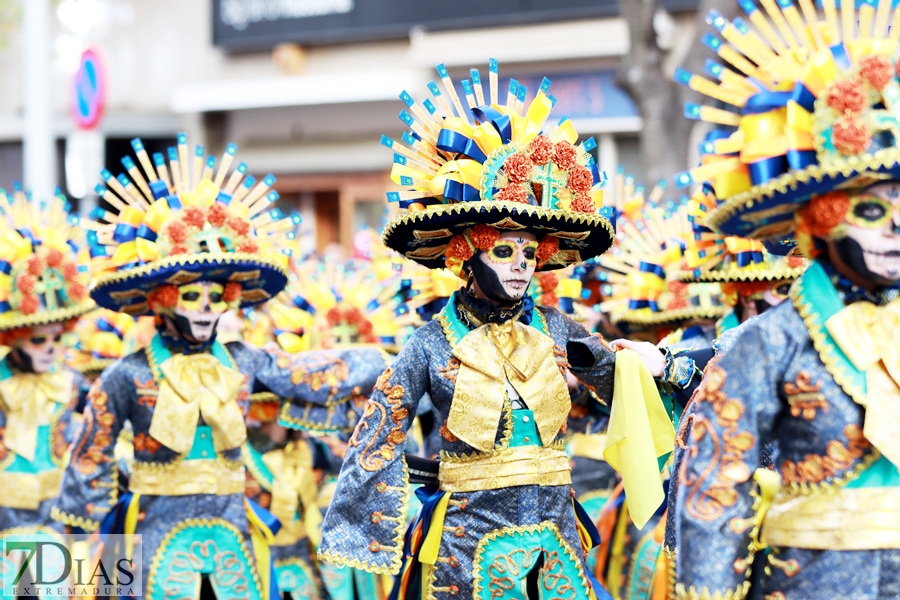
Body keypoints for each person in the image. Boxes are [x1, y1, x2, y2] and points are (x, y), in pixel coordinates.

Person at [318, 60, 633, 600]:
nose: (520, 265)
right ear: (467, 253)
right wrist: (365, 533)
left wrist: (592, 371)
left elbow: (621, 384)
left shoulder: (559, 328)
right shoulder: (430, 341)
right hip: (467, 556)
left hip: (557, 550)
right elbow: (378, 435)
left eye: (530, 253)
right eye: (504, 250)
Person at [53, 136, 388, 600]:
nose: (207, 307)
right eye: (192, 295)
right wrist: (74, 576)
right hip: (151, 536)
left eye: (216, 296)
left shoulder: (242, 359)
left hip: (233, 536)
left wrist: (389, 360)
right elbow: (86, 471)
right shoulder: (125, 375)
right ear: (164, 298)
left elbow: (308, 374)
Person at [670, 4, 900, 597]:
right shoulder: (766, 343)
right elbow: (715, 497)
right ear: (819, 219)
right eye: (872, 210)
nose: (896, 230)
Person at [0, 187, 94, 536]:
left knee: (58, 584)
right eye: (39, 339)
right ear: (14, 338)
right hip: (5, 508)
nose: (50, 348)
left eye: (58, 337)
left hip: (56, 506)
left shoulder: (71, 381)